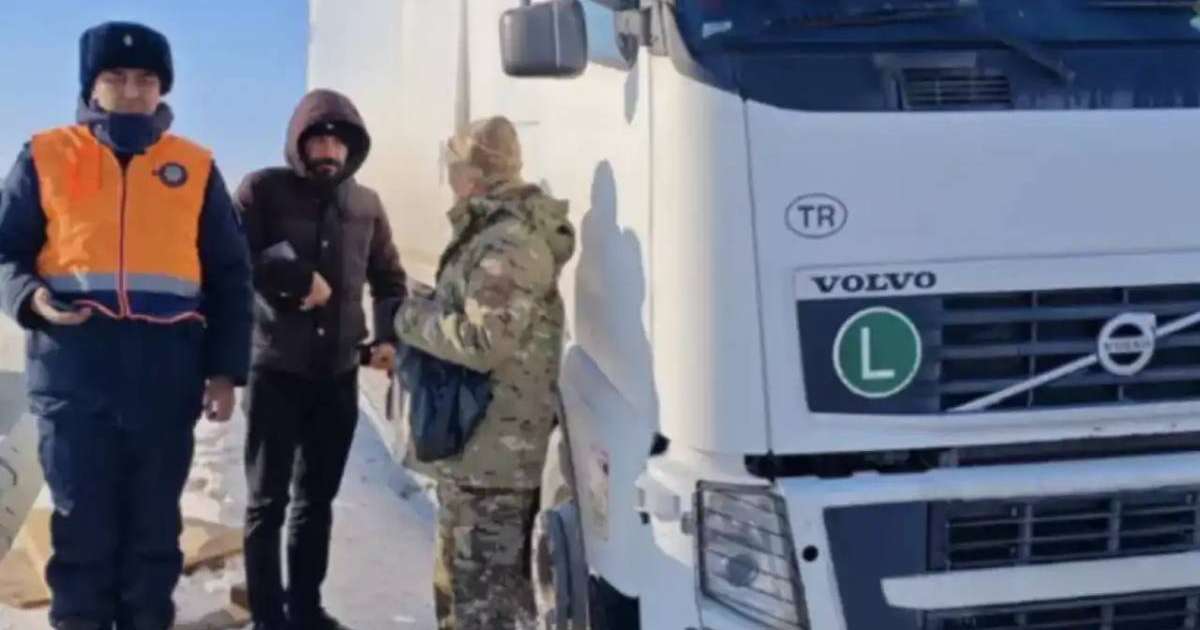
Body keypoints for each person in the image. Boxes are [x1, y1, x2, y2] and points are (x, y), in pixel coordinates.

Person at [0, 22, 253, 630]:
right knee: (81, 531)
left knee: (152, 536)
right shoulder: (45, 155)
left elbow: (229, 274)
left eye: (146, 79)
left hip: (164, 380)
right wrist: (31, 299)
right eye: (117, 77)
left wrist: (224, 370)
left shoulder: (193, 167)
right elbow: (6, 252)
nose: (133, 90)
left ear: (162, 88)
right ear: (92, 85)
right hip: (73, 378)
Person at [394, 117, 576, 630]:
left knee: (486, 612)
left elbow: (482, 341)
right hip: (478, 456)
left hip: (493, 462)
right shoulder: (492, 234)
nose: (449, 176)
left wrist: (410, 318)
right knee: (461, 598)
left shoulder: (507, 242)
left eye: (454, 165)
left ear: (474, 172)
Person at [236, 88, 407, 630]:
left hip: (335, 378)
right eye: (318, 139)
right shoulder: (262, 190)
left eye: (339, 141)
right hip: (276, 371)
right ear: (299, 143)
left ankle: (305, 611)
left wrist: (387, 335)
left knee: (316, 501)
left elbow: (389, 279)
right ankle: (269, 617)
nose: (328, 150)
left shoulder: (366, 205)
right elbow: (236, 257)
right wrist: (293, 281)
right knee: (268, 502)